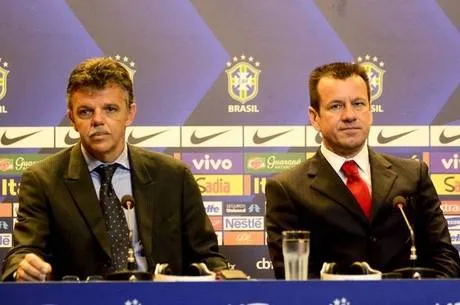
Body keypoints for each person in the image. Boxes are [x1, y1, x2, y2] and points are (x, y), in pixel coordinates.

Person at [1, 57, 228, 281]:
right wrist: (24, 268)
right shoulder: (43, 180)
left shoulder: (173, 176)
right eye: (86, 112)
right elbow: (22, 254)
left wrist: (225, 278)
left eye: (110, 109)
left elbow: (206, 257)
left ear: (130, 114)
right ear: (72, 118)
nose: (98, 120)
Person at [265, 62, 460, 279]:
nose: (349, 115)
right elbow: (293, 279)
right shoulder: (287, 188)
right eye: (336, 106)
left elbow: (444, 257)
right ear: (314, 117)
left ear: (370, 111)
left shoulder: (414, 175)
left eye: (358, 104)